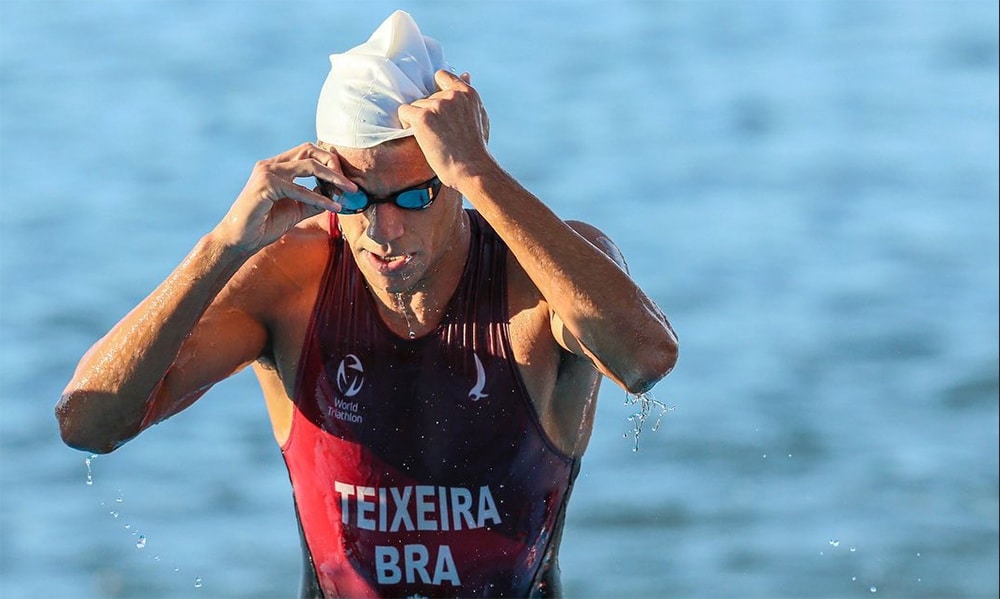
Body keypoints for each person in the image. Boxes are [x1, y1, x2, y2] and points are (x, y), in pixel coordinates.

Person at [56, 10, 678, 599]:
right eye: (354, 200)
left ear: (455, 183)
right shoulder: (290, 281)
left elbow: (643, 359)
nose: (382, 231)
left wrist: (483, 173)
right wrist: (221, 246)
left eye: (411, 199)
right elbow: (87, 425)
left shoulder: (539, 278)